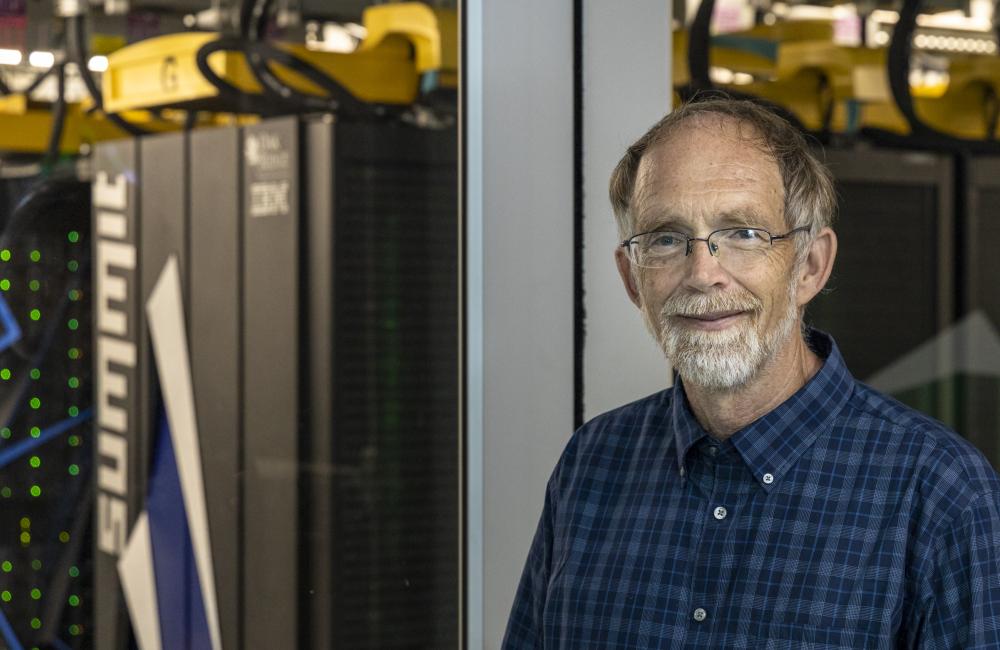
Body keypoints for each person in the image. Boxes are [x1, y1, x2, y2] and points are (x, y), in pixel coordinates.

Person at [502, 97, 1000, 649]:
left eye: (743, 233)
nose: (703, 273)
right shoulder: (590, 466)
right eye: (666, 239)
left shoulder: (939, 492)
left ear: (810, 265)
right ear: (632, 279)